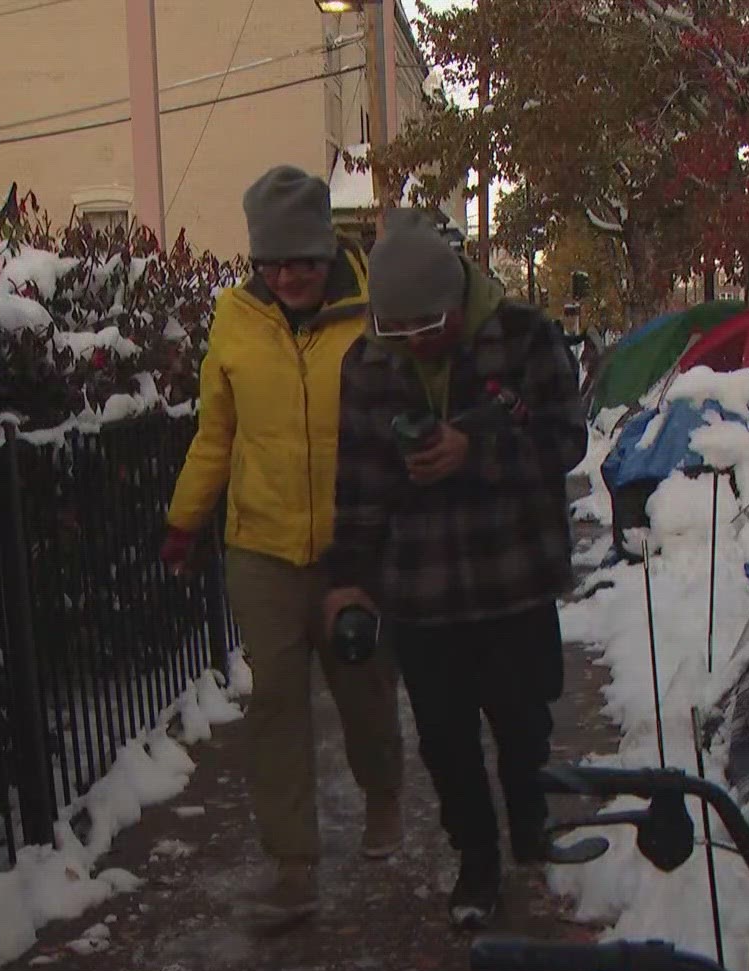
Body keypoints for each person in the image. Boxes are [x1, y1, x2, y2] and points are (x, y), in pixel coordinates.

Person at [322, 210, 587, 929]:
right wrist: (348, 577)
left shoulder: (526, 338)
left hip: (513, 576)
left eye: (427, 328)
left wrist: (477, 453)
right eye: (395, 330)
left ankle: (531, 821)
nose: (412, 345)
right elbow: (358, 480)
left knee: (523, 717)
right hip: (422, 590)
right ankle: (476, 858)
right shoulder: (368, 364)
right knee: (444, 739)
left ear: (458, 299)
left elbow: (566, 442)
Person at [162, 165, 405, 931]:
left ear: (326, 251)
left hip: (351, 549)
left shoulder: (371, 312)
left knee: (363, 688)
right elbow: (216, 432)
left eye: (303, 260)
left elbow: (402, 416)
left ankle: (384, 792)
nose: (290, 276)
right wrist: (183, 521)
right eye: (274, 263)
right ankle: (293, 865)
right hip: (261, 545)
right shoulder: (234, 318)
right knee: (274, 703)